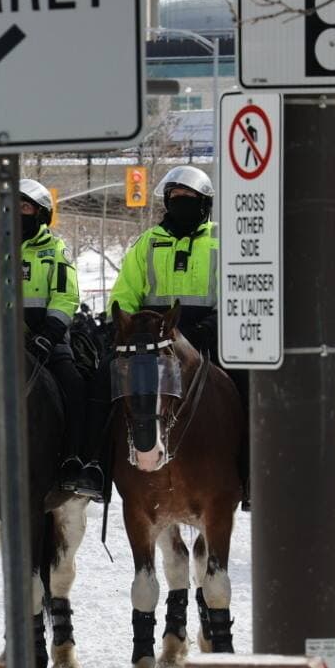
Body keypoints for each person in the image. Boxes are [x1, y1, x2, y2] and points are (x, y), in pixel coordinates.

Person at [0, 179, 102, 498]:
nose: (16, 213)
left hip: (43, 342)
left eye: (25, 207)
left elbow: (66, 295)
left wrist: (49, 334)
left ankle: (74, 458)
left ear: (41, 214)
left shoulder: (53, 251)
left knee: (74, 385)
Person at [107, 166, 248, 504]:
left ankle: (250, 472)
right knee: (105, 387)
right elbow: (125, 292)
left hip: (210, 338)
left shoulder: (224, 240)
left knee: (248, 387)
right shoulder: (148, 243)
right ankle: (97, 467)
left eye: (189, 198)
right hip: (150, 342)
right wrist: (122, 325)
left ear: (205, 203)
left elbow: (237, 288)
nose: (181, 203)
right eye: (175, 198)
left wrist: (212, 326)